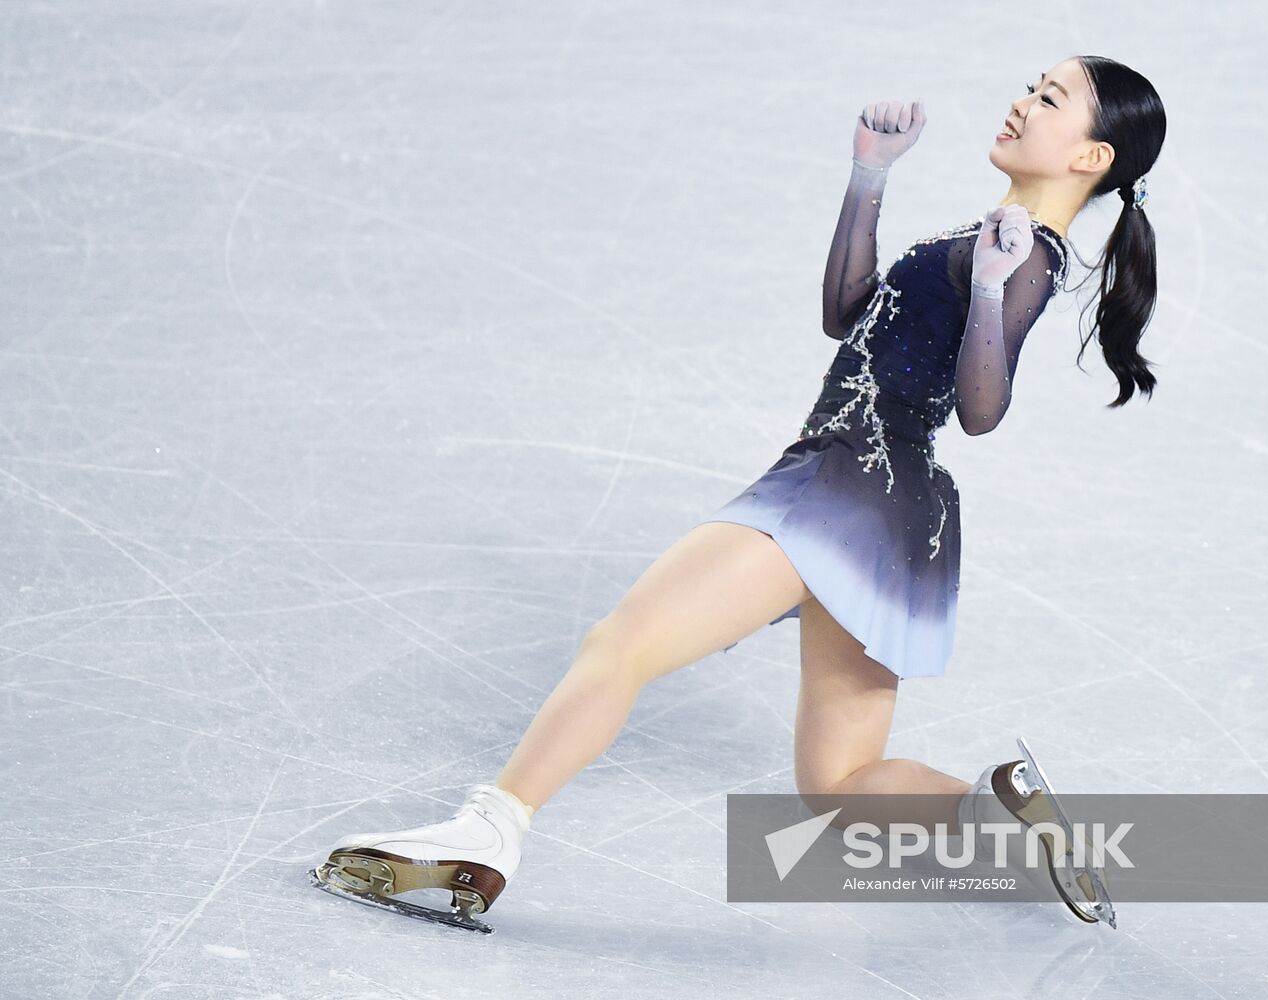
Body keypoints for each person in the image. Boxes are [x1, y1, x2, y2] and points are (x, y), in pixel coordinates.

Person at [310, 54, 1165, 932]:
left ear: (1091, 159)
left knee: (621, 643)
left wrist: (990, 288)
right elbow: (848, 312)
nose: (1022, 103)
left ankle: (484, 838)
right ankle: (1001, 818)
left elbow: (982, 409)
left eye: (1049, 99)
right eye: (1030, 86)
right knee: (835, 785)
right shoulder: (997, 239)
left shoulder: (1023, 257)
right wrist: (869, 175)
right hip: (897, 516)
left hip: (845, 486)